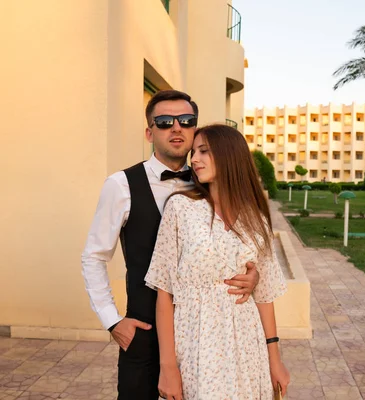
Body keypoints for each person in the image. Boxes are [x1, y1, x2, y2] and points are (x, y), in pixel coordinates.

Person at [81, 90, 259, 399]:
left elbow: (241, 242)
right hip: (146, 331)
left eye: (186, 121)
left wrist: (252, 274)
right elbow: (94, 256)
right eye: (164, 122)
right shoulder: (121, 185)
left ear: (195, 130)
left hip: (204, 334)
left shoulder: (212, 181)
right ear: (150, 132)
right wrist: (112, 321)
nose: (176, 128)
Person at [144, 124, 291, 400]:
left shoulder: (256, 220)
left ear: (229, 155)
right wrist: (168, 366)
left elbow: (265, 296)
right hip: (198, 344)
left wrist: (275, 359)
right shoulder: (181, 208)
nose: (194, 159)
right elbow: (164, 292)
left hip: (248, 347)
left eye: (204, 151)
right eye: (193, 152)